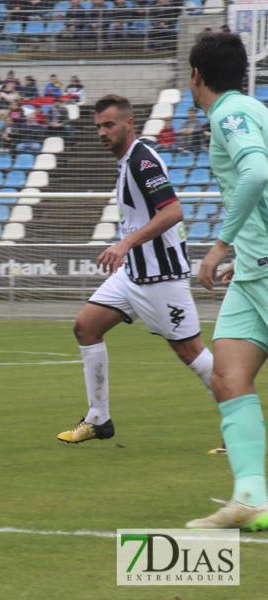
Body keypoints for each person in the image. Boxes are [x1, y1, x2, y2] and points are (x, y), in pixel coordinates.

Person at [57, 94, 215, 450]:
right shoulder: (127, 162)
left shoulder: (142, 161)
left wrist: (125, 244)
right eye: (98, 126)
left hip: (161, 277)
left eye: (109, 124)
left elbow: (173, 211)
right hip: (133, 275)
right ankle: (98, 418)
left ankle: (240, 425)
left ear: (129, 124)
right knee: (86, 327)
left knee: (192, 354)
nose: (102, 132)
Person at [189, 32, 268, 530]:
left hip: (259, 265)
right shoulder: (254, 109)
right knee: (227, 376)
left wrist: (221, 244)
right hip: (254, 270)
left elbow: (256, 173)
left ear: (196, 75)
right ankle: (250, 497)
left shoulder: (229, 116)